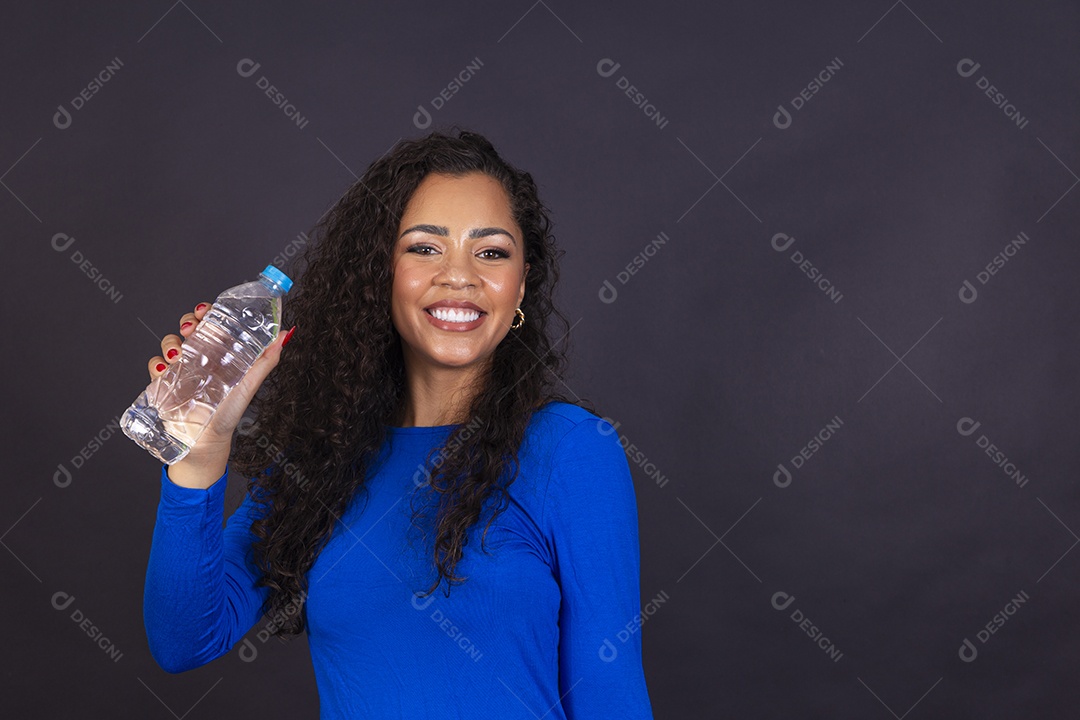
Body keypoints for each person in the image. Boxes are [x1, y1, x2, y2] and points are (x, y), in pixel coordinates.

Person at [142, 127, 654, 719]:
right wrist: (200, 458)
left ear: (520, 285)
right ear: (379, 274)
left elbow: (611, 696)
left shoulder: (570, 451)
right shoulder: (324, 459)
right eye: (424, 248)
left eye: (491, 252)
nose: (459, 275)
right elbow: (184, 640)